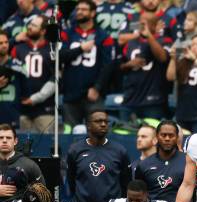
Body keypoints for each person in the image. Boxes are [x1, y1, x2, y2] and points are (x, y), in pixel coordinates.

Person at [59, 0, 114, 128]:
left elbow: (108, 66)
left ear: (93, 13)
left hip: (93, 94)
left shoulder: (103, 36)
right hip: (71, 93)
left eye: (83, 9)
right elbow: (60, 56)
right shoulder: (67, 33)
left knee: (97, 132)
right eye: (78, 9)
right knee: (70, 133)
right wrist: (80, 49)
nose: (79, 12)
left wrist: (97, 87)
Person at [120, 12, 172, 120]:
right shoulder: (131, 42)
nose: (141, 25)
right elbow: (119, 66)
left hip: (152, 101)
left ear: (154, 26)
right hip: (130, 98)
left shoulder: (164, 40)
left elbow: (162, 57)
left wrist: (149, 36)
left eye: (145, 23)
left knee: (152, 134)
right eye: (140, 22)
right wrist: (128, 64)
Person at [12, 15, 55, 133]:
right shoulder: (18, 48)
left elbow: (56, 77)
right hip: (21, 108)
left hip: (45, 108)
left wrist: (36, 98)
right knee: (21, 147)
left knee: (44, 146)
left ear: (43, 31)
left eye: (34, 25)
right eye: (29, 24)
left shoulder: (52, 49)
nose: (29, 27)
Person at [0, 30, 23, 128]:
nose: (4, 45)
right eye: (0, 43)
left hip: (12, 116)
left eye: (6, 42)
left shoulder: (18, 66)